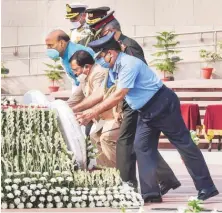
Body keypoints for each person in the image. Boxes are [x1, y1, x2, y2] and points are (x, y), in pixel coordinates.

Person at [75, 32, 219, 202]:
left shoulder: (129, 64)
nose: (99, 60)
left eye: (101, 56)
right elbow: (106, 93)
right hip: (145, 110)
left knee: (184, 144)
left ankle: (206, 187)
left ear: (110, 53)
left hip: (162, 104)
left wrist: (92, 112)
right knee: (141, 147)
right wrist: (80, 109)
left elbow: (119, 94)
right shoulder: (114, 67)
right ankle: (151, 194)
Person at [77, 10, 181, 195]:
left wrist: (116, 107)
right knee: (135, 144)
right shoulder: (114, 50)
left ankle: (129, 187)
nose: (98, 37)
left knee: (126, 142)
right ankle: (164, 178)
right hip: (127, 101)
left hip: (134, 102)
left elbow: (133, 81)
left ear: (109, 30)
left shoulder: (129, 47)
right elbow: (110, 83)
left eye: (99, 32)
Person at [69, 50, 121, 168]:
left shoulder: (98, 73)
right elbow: (74, 99)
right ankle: (106, 172)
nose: (75, 74)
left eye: (76, 70)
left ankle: (120, 173)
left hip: (112, 115)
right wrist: (61, 108)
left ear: (86, 66)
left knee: (106, 139)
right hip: (101, 118)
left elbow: (97, 96)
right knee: (94, 137)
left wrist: (77, 109)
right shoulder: (85, 77)